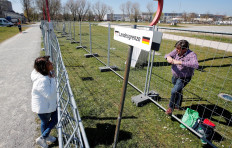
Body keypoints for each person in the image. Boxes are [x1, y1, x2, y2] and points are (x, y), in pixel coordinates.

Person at [164, 40, 199, 116]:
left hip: (184, 77)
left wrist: (180, 62)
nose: (176, 50)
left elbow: (196, 65)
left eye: (178, 49)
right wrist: (168, 57)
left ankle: (170, 108)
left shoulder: (192, 55)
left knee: (174, 91)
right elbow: (167, 55)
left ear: (184, 49)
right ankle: (177, 105)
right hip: (175, 76)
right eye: (176, 48)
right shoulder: (176, 51)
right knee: (178, 90)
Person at [31, 56, 58, 148]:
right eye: (49, 63)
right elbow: (49, 94)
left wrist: (50, 74)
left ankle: (46, 137)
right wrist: (53, 78)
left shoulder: (43, 75)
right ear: (44, 68)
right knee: (52, 120)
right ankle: (43, 138)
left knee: (47, 122)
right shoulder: (41, 80)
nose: (52, 64)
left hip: (47, 105)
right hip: (44, 107)